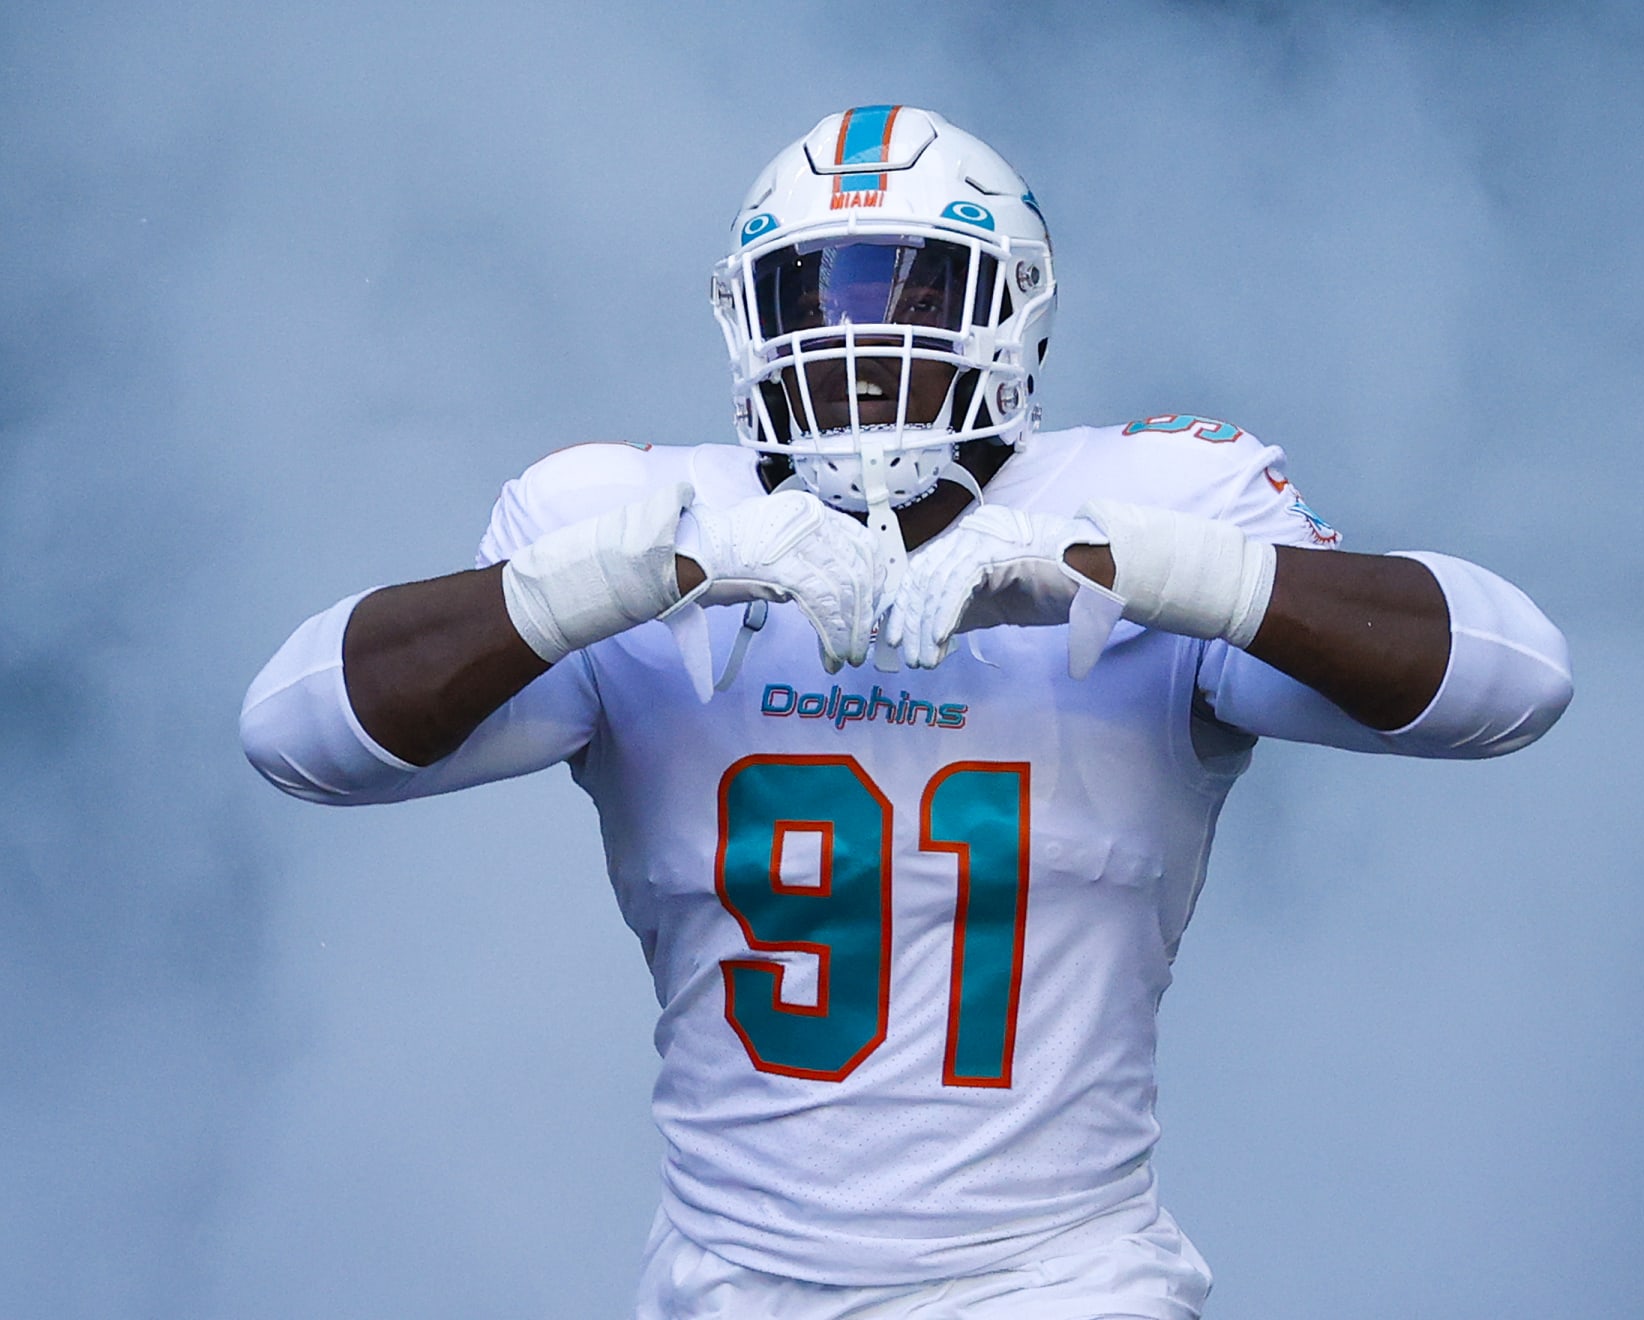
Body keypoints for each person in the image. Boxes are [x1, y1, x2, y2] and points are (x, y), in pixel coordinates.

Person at [241, 105, 1572, 1318]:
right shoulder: (635, 525)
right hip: (722, 1280)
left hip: (1056, 1279)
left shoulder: (1152, 502)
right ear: (740, 316)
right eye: (809, 289)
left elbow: (1513, 682)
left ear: (1016, 305)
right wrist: (614, 583)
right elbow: (299, 738)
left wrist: (1140, 570)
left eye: (915, 284)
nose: (858, 332)